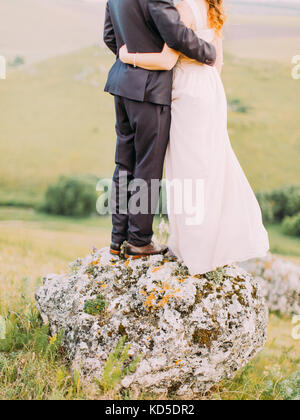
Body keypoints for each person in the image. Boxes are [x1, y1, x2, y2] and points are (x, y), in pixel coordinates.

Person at [119, 0, 270, 274]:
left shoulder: (183, 9)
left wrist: (128, 57)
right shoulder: (212, 10)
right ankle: (210, 244)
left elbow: (167, 59)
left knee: (187, 170)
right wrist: (207, 87)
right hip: (210, 89)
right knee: (210, 166)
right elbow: (217, 61)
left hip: (186, 92)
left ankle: (194, 248)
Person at [103, 0, 216, 259]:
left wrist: (130, 61)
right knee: (147, 166)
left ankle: (117, 238)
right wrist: (208, 51)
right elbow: (176, 35)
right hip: (150, 91)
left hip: (122, 84)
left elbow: (110, 37)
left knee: (124, 164)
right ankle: (139, 241)